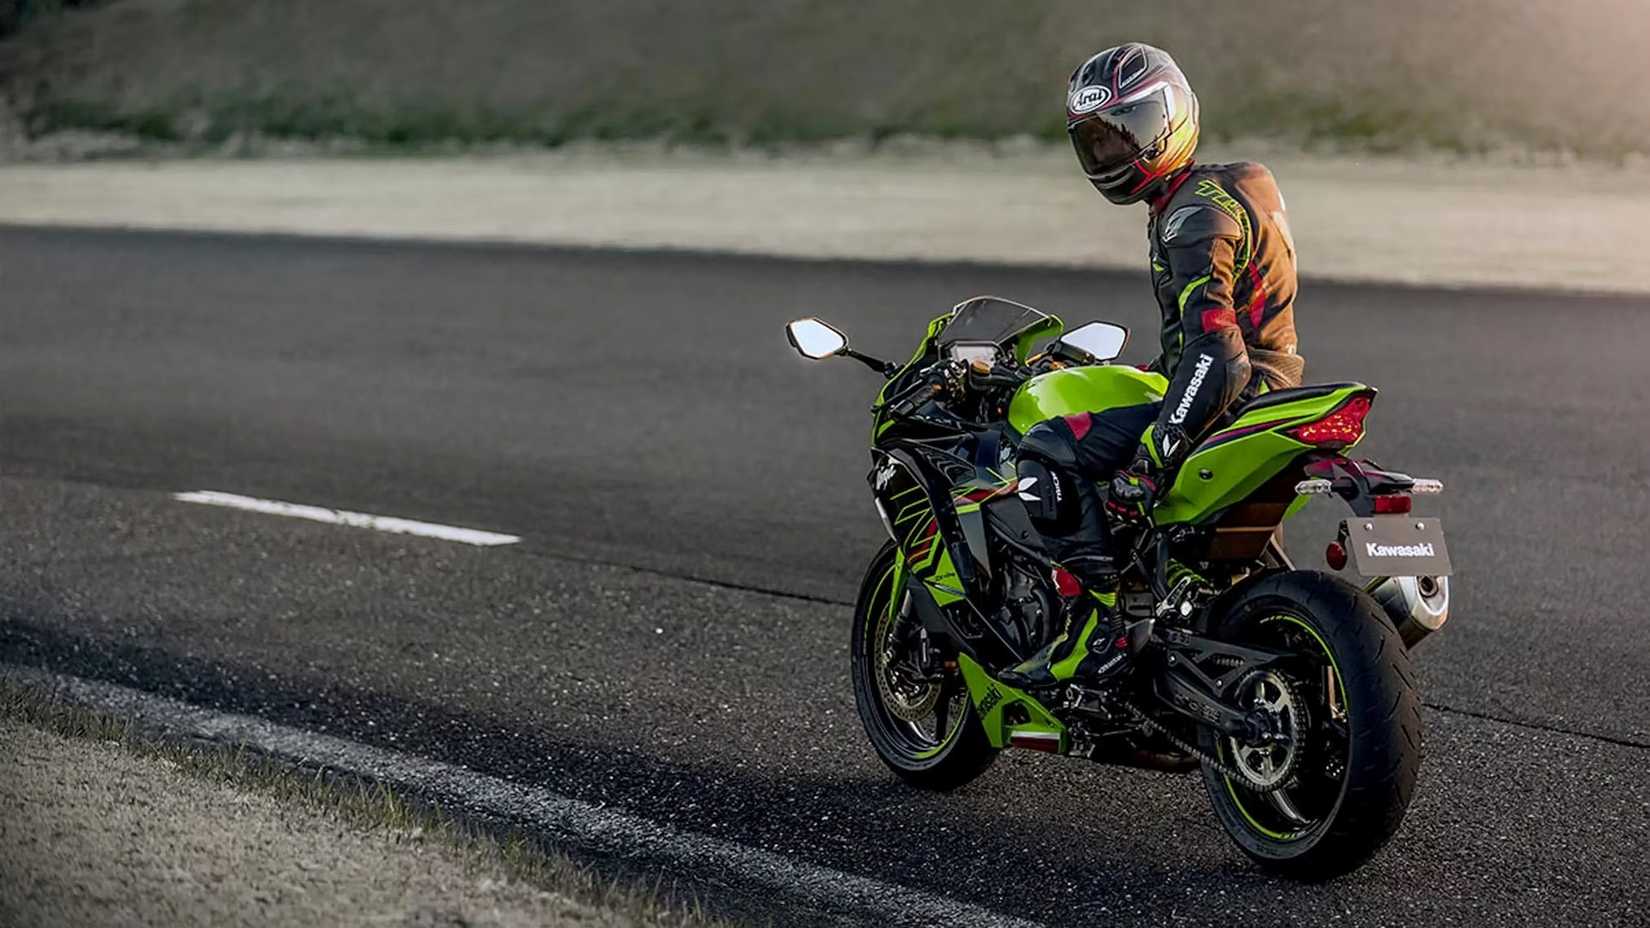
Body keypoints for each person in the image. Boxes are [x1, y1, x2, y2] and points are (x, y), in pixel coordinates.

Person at [1001, 43, 1303, 689]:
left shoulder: (1190, 217)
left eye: (1126, 131)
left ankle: (1100, 625)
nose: (1111, 155)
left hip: (1238, 389)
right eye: (1097, 140)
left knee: (1049, 448)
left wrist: (1151, 459)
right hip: (1275, 381)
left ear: (1173, 119)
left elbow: (1219, 354)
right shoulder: (1239, 183)